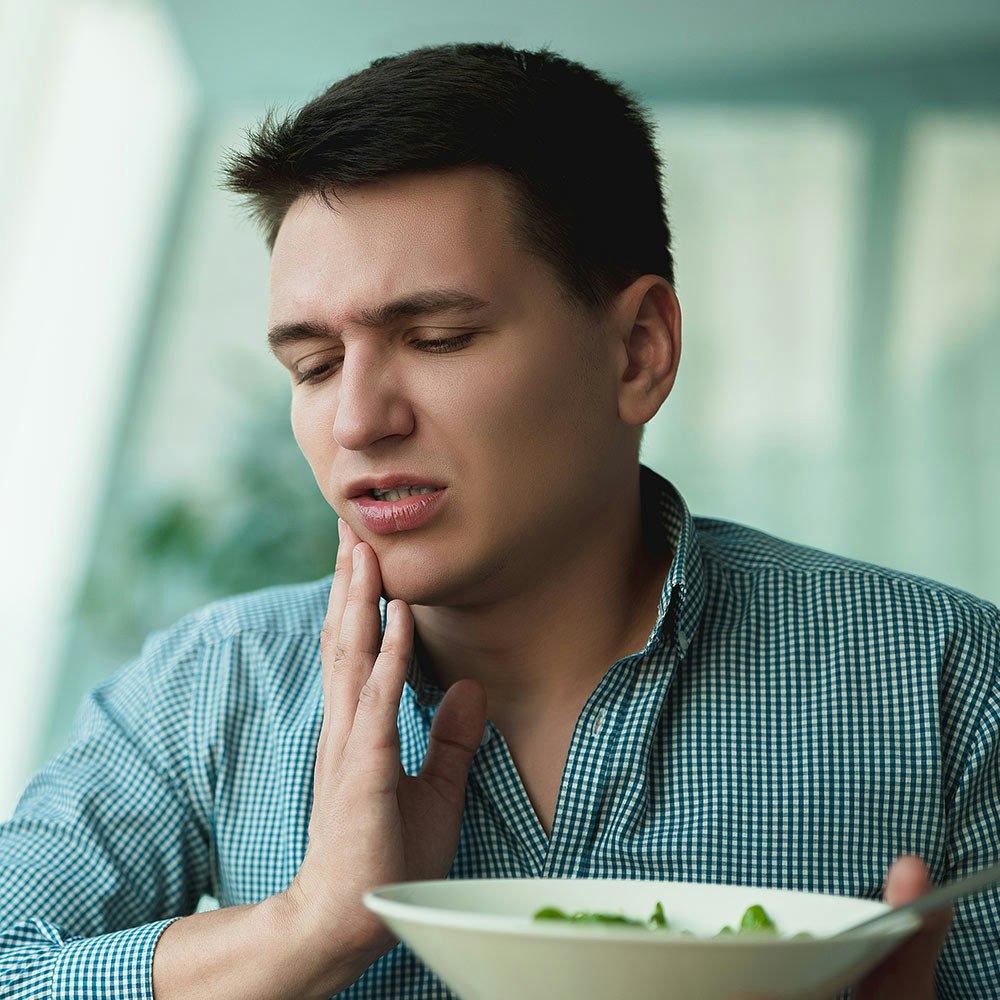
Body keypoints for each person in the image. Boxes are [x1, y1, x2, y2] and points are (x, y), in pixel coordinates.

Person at [1, 41, 996, 1000]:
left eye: (438, 338)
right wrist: (304, 932)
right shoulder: (207, 692)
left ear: (639, 350)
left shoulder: (943, 685)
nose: (357, 418)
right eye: (312, 365)